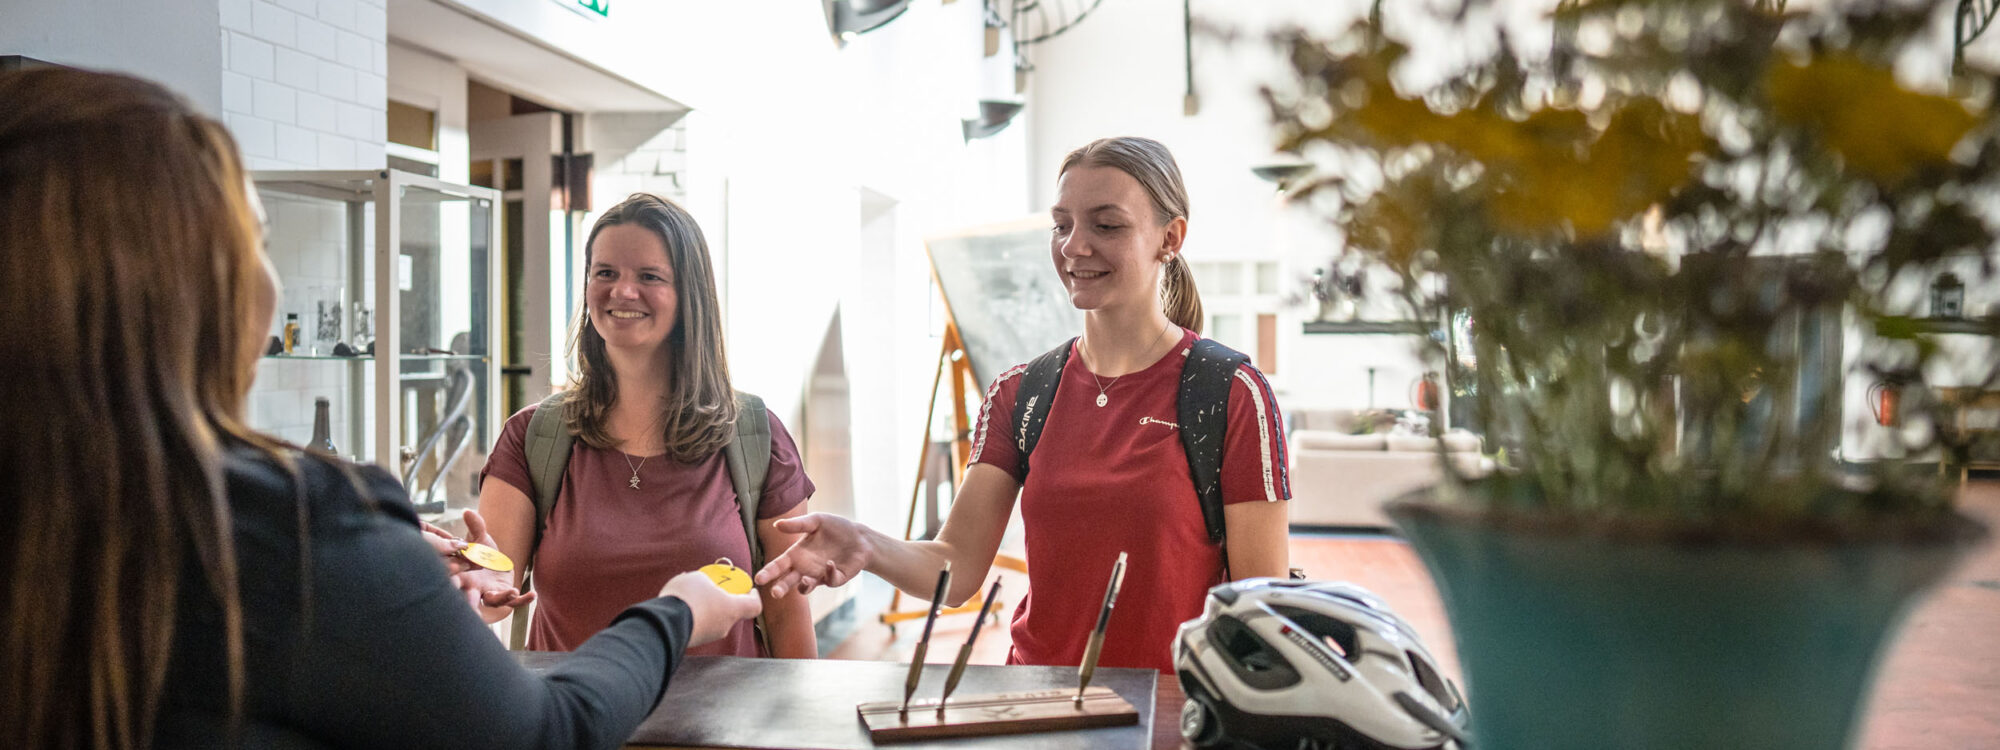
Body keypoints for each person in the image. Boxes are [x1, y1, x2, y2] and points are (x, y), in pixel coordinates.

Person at [0, 68, 760, 749]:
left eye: (648, 278)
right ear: (198, 286)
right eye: (257, 242)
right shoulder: (296, 525)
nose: (272, 283)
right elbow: (543, 731)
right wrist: (677, 612)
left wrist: (400, 592)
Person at [756, 136, 1292, 672]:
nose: (1074, 246)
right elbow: (957, 568)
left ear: (1169, 238)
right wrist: (863, 543)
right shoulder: (1023, 393)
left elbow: (1256, 607)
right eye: (1062, 225)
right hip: (1038, 703)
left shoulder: (1230, 392)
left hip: (1171, 710)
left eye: (1106, 225)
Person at [474, 193, 818, 657]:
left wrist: (792, 729)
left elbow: (785, 613)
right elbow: (495, 589)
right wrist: (472, 586)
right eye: (605, 273)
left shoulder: (755, 435)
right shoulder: (533, 438)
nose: (622, 291)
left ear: (688, 294)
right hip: (578, 722)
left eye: (649, 276)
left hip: (721, 724)